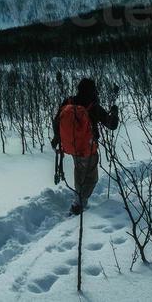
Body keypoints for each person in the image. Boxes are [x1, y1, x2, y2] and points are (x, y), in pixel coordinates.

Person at [52, 78, 119, 215]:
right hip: (88, 149)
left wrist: (57, 139)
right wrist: (115, 113)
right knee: (91, 178)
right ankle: (79, 203)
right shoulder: (93, 106)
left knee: (79, 172)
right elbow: (112, 125)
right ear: (92, 90)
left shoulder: (68, 102)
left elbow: (56, 121)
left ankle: (79, 198)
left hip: (72, 147)